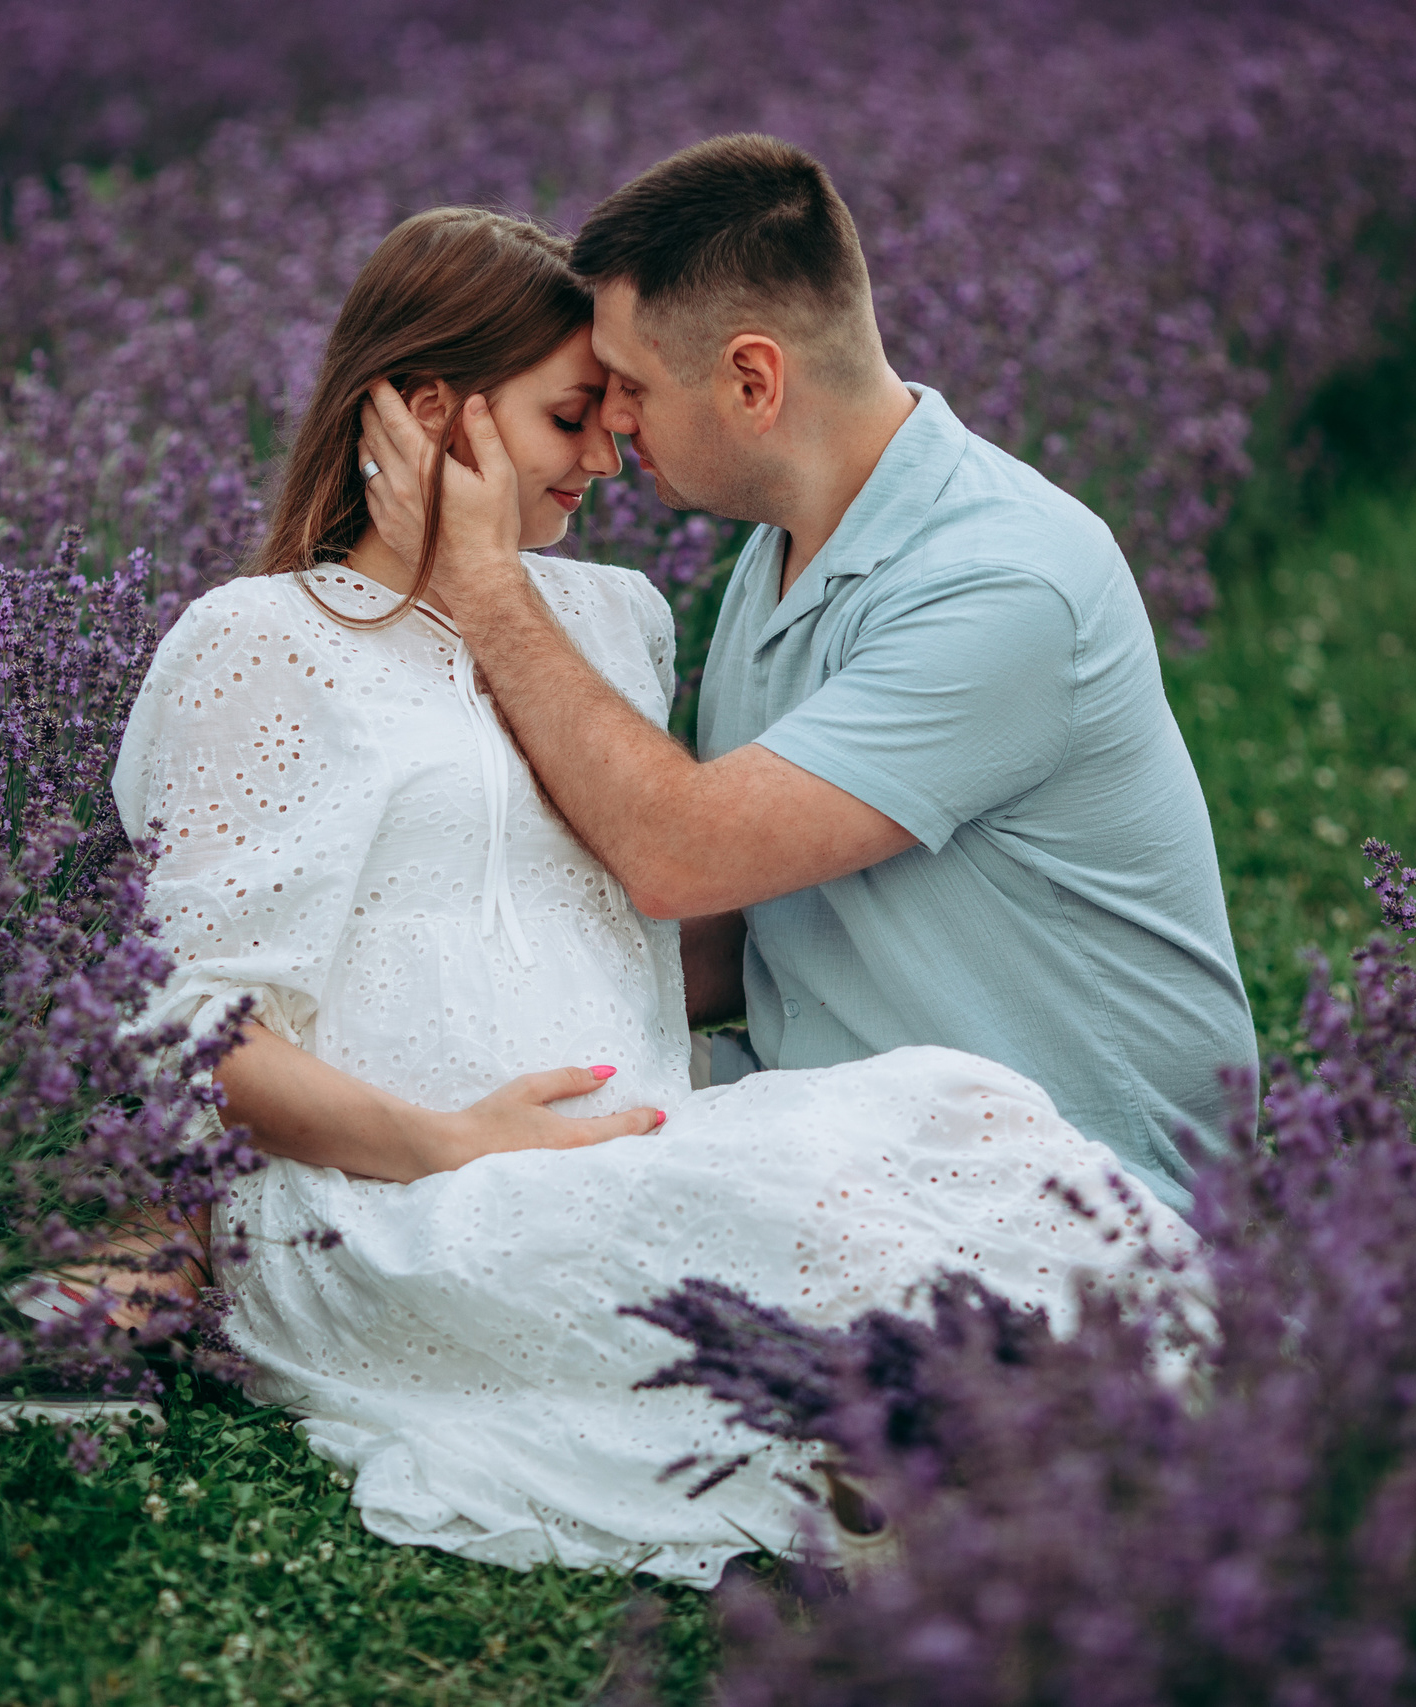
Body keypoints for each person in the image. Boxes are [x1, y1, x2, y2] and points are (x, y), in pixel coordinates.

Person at [89, 204, 1197, 1588]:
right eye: (571, 417)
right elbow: (200, 1023)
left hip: (643, 1133)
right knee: (816, 1243)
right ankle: (968, 1487)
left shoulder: (614, 618)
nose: (612, 458)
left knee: (968, 1121)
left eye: (617, 413)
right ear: (435, 412)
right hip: (393, 1187)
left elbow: (648, 897)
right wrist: (448, 1142)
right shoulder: (258, 642)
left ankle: (1036, 1461)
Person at [357, 135, 1254, 1215]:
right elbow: (735, 926)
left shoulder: (1004, 584)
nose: (613, 426)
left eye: (630, 386)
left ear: (752, 378)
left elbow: (679, 860)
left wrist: (483, 584)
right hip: (824, 1126)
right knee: (428, 1171)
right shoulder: (783, 549)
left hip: (1071, 1188)